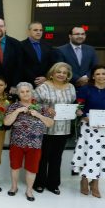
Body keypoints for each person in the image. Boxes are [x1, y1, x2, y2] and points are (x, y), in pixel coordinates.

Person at [71, 65, 105, 198]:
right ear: (93, 76)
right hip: (89, 128)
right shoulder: (85, 90)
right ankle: (84, 179)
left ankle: (95, 183)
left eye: (103, 73)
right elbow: (78, 108)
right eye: (97, 74)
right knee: (87, 153)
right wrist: (83, 116)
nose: (101, 76)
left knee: (102, 155)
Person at [4, 82, 54, 202]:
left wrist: (38, 115)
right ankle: (14, 187)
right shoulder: (13, 106)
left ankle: (29, 190)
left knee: (32, 168)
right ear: (18, 94)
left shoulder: (41, 107)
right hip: (17, 142)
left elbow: (50, 123)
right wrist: (17, 111)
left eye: (27, 91)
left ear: (32, 92)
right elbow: (6, 122)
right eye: (22, 92)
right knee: (15, 166)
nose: (25, 94)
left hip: (35, 143)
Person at [32, 62, 76, 195]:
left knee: (57, 157)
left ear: (68, 75)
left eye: (64, 73)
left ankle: (53, 184)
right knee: (43, 156)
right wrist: (45, 108)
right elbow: (32, 104)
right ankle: (39, 183)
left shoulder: (71, 87)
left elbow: (72, 103)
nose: (61, 74)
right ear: (52, 73)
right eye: (59, 72)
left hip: (63, 128)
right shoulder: (43, 87)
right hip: (45, 126)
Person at [19, 21, 55, 86]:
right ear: (29, 31)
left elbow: (51, 64)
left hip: (45, 82)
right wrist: (34, 79)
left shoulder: (48, 45)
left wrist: (45, 77)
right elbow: (21, 65)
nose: (38, 32)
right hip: (27, 83)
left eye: (40, 30)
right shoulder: (20, 45)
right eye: (35, 30)